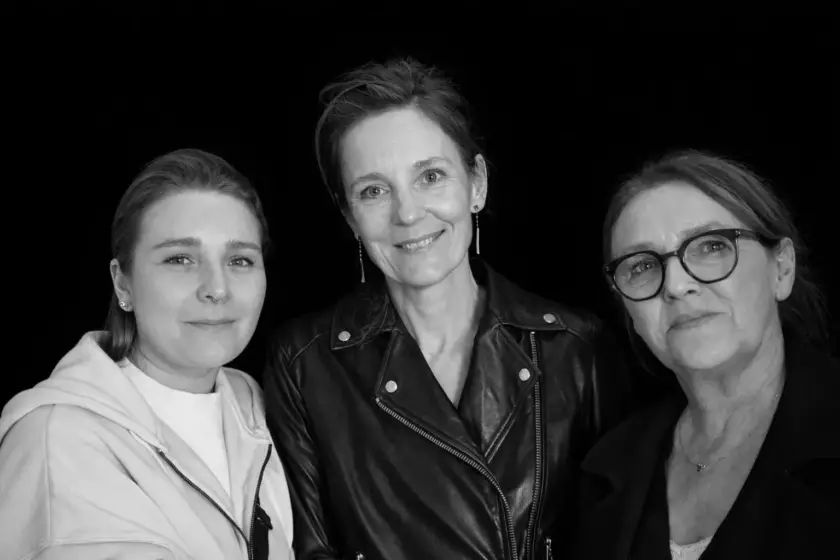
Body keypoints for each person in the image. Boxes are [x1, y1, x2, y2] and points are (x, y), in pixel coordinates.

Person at [262, 58, 635, 560]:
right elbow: (308, 550)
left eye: (431, 176)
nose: (408, 213)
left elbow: (618, 537)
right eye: (374, 191)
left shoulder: (576, 346)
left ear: (476, 184)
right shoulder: (304, 363)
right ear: (349, 216)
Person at [0, 149, 294, 560]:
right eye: (180, 259)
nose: (217, 288)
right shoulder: (58, 439)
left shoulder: (259, 407)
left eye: (240, 260)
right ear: (123, 284)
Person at [574, 150, 839, 560]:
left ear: (782, 269)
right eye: (641, 267)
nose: (676, 285)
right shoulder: (603, 472)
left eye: (711, 246)